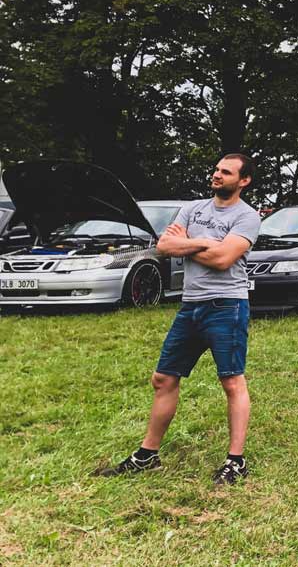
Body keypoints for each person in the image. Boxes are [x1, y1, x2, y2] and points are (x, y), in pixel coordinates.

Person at [95, 154, 261, 485]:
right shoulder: (192, 209)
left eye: (225, 172)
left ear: (243, 181)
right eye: (216, 169)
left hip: (227, 305)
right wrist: (202, 242)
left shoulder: (247, 216)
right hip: (191, 305)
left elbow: (224, 259)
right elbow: (165, 245)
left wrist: (189, 245)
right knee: (163, 378)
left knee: (231, 380)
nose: (217, 175)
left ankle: (236, 461)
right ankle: (147, 455)